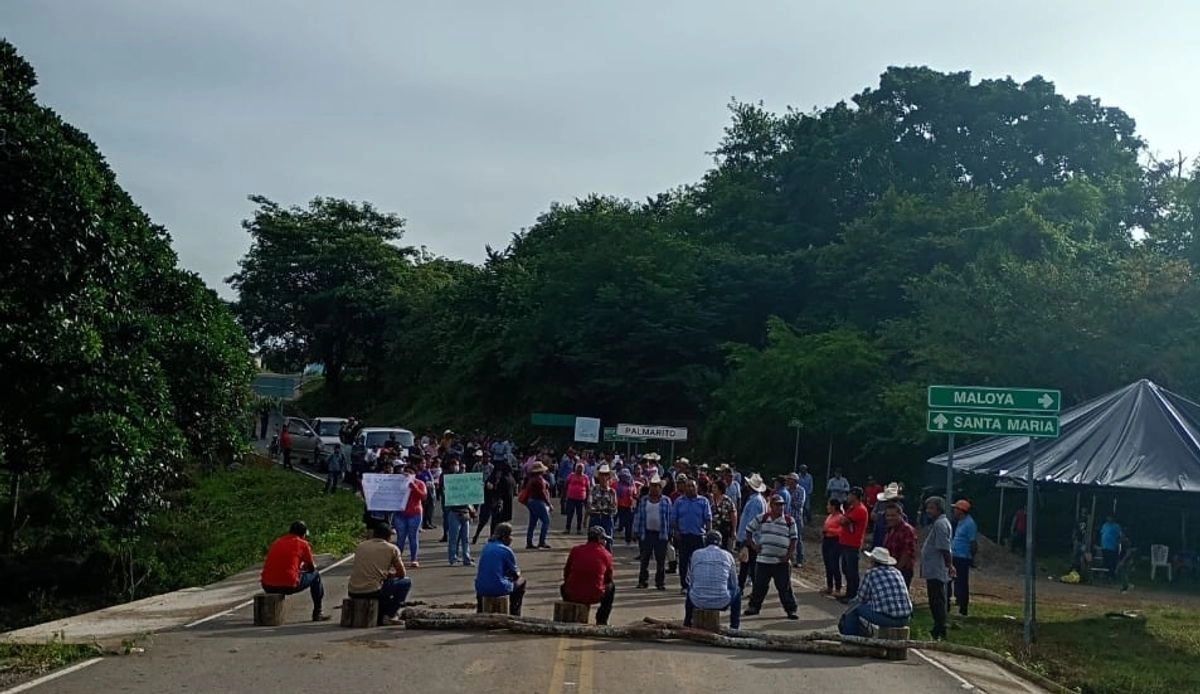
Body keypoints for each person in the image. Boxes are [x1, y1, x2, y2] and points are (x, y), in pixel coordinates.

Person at [743, 494, 799, 620]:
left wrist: (789, 555)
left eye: (782, 505)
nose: (780, 507)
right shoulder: (762, 518)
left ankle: (791, 609)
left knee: (784, 587)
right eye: (777, 505)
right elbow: (749, 530)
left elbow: (794, 540)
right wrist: (753, 545)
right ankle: (754, 607)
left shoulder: (790, 521)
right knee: (759, 585)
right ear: (771, 506)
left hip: (781, 561)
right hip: (764, 560)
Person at [260, 521, 328, 621]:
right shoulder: (303, 544)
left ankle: (268, 613)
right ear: (303, 534)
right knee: (316, 575)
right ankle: (318, 612)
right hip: (289, 585)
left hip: (267, 585)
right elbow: (311, 568)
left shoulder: (277, 542)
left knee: (281, 577)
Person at [837, 547, 913, 637]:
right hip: (905, 618)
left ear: (873, 561)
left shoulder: (871, 573)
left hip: (887, 618)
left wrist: (848, 608)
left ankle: (850, 639)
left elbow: (861, 598)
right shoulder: (897, 572)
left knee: (855, 609)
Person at [347, 523, 412, 625]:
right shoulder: (392, 548)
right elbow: (402, 573)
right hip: (373, 590)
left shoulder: (361, 546)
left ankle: (381, 612)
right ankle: (390, 614)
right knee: (405, 582)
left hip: (353, 590)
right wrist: (391, 575)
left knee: (380, 584)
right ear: (389, 536)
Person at [684, 530, 741, 630]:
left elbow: (691, 580)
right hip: (722, 601)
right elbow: (734, 582)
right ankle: (734, 627)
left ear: (705, 541)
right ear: (720, 543)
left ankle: (687, 622)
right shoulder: (728, 556)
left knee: (690, 589)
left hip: (698, 600)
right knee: (737, 591)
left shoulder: (696, 554)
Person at [561, 526, 616, 625]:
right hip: (594, 595)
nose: (605, 542)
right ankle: (601, 620)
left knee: (563, 586)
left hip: (571, 594)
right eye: (604, 539)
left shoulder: (575, 550)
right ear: (599, 539)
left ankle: (569, 614)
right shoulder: (606, 555)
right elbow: (609, 578)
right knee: (612, 587)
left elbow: (566, 572)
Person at [921, 496, 955, 640]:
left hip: (937, 568)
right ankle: (938, 626)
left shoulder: (940, 524)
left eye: (931, 508)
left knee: (937, 599)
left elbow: (944, 547)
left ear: (939, 509)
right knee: (935, 598)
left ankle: (940, 628)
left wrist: (949, 565)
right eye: (927, 508)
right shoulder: (938, 523)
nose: (928, 511)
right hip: (933, 568)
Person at [671, 478, 713, 594]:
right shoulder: (679, 501)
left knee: (698, 562)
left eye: (692, 486)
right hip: (683, 536)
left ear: (697, 488)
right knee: (683, 562)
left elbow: (708, 519)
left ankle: (697, 584)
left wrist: (709, 534)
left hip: (698, 536)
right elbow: (674, 519)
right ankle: (684, 585)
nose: (690, 488)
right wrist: (676, 531)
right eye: (688, 486)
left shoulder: (703, 501)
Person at [475, 522, 526, 616]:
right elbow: (515, 574)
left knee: (484, 580)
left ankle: (480, 610)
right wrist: (517, 573)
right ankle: (515, 613)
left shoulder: (486, 547)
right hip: (498, 587)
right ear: (504, 537)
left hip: (480, 587)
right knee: (521, 581)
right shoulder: (506, 550)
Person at [634, 476, 672, 590]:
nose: (654, 488)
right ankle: (643, 581)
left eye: (657, 486)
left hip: (661, 534)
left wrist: (671, 533)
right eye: (652, 486)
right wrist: (636, 531)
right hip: (646, 533)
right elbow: (638, 516)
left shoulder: (666, 501)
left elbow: (670, 518)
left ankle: (660, 582)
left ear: (661, 488)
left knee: (661, 560)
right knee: (644, 559)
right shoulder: (644, 500)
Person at [735, 474, 768, 591]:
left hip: (751, 538)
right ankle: (741, 588)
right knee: (747, 565)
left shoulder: (755, 501)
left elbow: (751, 522)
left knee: (749, 565)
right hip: (754, 538)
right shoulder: (759, 499)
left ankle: (750, 590)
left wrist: (746, 539)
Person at [392, 464, 428, 567]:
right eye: (405, 472)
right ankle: (397, 560)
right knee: (400, 538)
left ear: (414, 474)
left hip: (415, 513)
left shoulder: (420, 483)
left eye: (410, 472)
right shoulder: (399, 484)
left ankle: (414, 559)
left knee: (413, 537)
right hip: (400, 514)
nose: (407, 474)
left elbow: (423, 496)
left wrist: (413, 486)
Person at [838, 487, 869, 602]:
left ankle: (853, 594)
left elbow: (843, 521)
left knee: (852, 570)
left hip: (853, 544)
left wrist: (843, 517)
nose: (848, 497)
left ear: (855, 496)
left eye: (850, 495)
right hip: (845, 542)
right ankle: (848, 593)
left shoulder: (860, 509)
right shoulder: (851, 508)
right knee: (846, 569)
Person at [443, 462, 477, 567]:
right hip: (454, 513)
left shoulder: (467, 484)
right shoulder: (452, 482)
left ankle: (466, 559)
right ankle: (453, 559)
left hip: (465, 513)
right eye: (461, 468)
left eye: (464, 468)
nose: (462, 470)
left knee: (465, 539)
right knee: (453, 538)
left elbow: (472, 498)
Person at [950, 499, 978, 617]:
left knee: (962, 581)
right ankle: (958, 600)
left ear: (961, 511)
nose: (954, 511)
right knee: (956, 580)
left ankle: (963, 608)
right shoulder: (960, 522)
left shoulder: (970, 524)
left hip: (963, 557)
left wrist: (971, 557)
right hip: (955, 555)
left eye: (955, 509)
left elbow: (973, 543)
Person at [882, 502, 918, 587]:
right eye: (888, 515)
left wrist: (896, 571)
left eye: (893, 515)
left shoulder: (907, 530)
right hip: (891, 568)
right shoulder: (890, 529)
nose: (890, 518)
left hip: (902, 570)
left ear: (900, 515)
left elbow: (907, 552)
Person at [522, 461, 553, 549]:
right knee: (546, 521)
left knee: (533, 522)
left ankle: (529, 542)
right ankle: (541, 541)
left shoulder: (532, 479)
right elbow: (543, 493)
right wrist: (549, 504)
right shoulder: (539, 480)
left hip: (531, 501)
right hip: (538, 502)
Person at [587, 464, 617, 550]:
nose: (603, 477)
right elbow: (589, 506)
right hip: (595, 518)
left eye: (605, 475)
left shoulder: (612, 492)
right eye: (601, 475)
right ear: (599, 476)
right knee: (592, 544)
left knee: (608, 543)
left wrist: (598, 509)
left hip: (607, 519)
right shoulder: (593, 489)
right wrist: (604, 509)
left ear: (608, 477)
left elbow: (614, 509)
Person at [822, 499, 845, 595]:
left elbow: (841, 531)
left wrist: (829, 530)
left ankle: (838, 588)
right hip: (826, 540)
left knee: (834, 564)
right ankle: (829, 586)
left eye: (829, 505)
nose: (827, 507)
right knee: (827, 564)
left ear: (834, 506)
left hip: (835, 541)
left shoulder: (840, 517)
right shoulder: (830, 516)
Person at [783, 472, 806, 566]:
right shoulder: (787, 490)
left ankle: (799, 559)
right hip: (788, 517)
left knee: (798, 539)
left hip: (797, 518)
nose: (788, 481)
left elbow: (799, 504)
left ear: (795, 481)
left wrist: (789, 500)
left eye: (790, 479)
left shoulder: (801, 490)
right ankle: (789, 557)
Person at [711, 478, 738, 552]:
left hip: (724, 529)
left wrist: (734, 530)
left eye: (715, 487)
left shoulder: (727, 500)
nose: (713, 489)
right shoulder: (710, 499)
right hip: (713, 528)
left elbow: (733, 515)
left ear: (720, 489)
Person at [615, 470, 641, 545]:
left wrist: (636, 496)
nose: (625, 477)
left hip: (629, 507)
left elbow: (635, 495)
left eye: (626, 476)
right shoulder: (617, 484)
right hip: (619, 506)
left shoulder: (632, 484)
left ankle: (628, 540)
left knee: (629, 524)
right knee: (621, 522)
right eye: (623, 476)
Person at [564, 462, 591, 535]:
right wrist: (564, 495)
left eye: (581, 468)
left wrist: (587, 498)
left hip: (581, 499)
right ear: (576, 468)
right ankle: (567, 528)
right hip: (571, 498)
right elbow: (566, 484)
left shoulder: (585, 477)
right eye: (578, 467)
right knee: (570, 514)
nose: (579, 469)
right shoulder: (571, 475)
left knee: (580, 514)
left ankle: (579, 529)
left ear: (583, 469)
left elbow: (588, 488)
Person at [1099, 515, 1123, 580]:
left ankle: (1111, 576)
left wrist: (1118, 545)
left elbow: (1120, 536)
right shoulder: (1104, 525)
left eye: (1110, 517)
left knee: (1111, 562)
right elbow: (1102, 534)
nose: (1109, 518)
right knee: (1105, 561)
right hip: (1104, 546)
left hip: (1112, 547)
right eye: (1108, 517)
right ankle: (1104, 575)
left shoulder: (1117, 526)